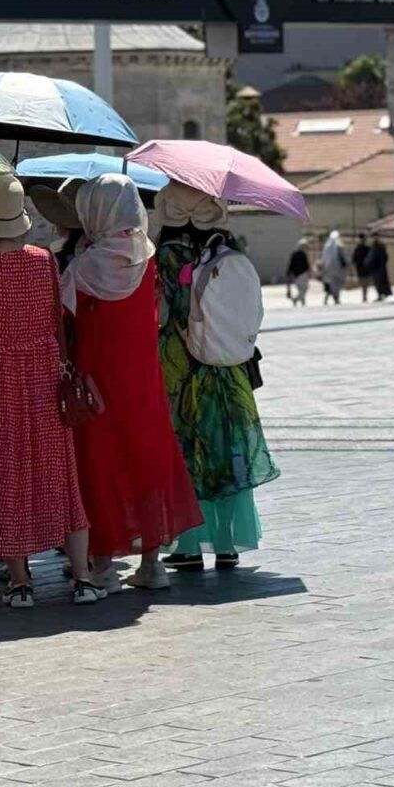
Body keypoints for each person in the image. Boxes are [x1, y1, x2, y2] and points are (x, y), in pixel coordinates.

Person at [0, 175, 104, 609]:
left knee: (5, 477)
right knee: (59, 474)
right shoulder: (43, 262)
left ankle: (20, 582)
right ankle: (84, 577)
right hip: (42, 379)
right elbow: (55, 317)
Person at [62, 174, 202, 592]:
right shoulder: (149, 258)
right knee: (146, 462)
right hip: (142, 378)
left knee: (99, 464)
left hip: (97, 379)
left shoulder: (85, 265)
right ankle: (151, 563)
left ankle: (102, 563)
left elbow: (63, 316)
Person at [153, 182, 280, 573]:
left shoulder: (165, 256)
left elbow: (158, 313)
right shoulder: (229, 250)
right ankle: (227, 544)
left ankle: (189, 544)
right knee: (227, 448)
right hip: (228, 367)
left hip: (180, 366)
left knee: (188, 449)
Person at [320, 230, 348, 305]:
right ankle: (336, 298)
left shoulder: (328, 247)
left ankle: (335, 297)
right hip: (335, 269)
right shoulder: (337, 246)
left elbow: (324, 259)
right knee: (335, 284)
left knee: (334, 284)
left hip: (332, 269)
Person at [367, 233, 392, 301]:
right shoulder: (373, 246)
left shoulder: (380, 246)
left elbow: (384, 257)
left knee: (381, 282)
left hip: (380, 267)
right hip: (375, 268)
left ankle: (382, 294)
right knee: (377, 282)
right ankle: (380, 294)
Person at [286, 241, 311, 306]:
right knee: (304, 289)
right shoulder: (303, 255)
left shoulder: (294, 254)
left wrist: (289, 273)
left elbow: (290, 265)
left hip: (296, 276)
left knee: (301, 290)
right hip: (302, 275)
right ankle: (296, 299)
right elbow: (306, 265)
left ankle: (303, 303)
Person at [352, 233, 372, 302]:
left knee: (366, 283)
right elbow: (354, 259)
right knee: (363, 283)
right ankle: (364, 296)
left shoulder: (367, 248)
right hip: (360, 268)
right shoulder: (357, 249)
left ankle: (365, 296)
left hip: (366, 268)